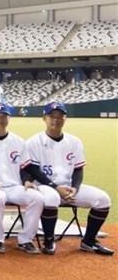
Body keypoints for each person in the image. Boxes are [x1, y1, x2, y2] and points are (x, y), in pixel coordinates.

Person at [24, 101, 113, 256]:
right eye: (52, 116)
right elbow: (33, 171)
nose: (56, 119)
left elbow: (78, 170)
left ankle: (89, 241)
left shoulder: (74, 141)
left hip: (68, 187)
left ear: (66, 118)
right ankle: (49, 240)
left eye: (60, 116)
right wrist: (56, 187)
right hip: (44, 186)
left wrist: (75, 188)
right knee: (51, 198)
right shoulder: (33, 142)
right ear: (44, 118)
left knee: (103, 199)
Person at [0, 102, 42, 254]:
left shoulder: (18, 141)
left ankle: (26, 239)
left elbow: (24, 167)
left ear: (9, 118)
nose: (1, 119)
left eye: (4, 116)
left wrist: (27, 181)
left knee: (37, 198)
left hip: (14, 186)